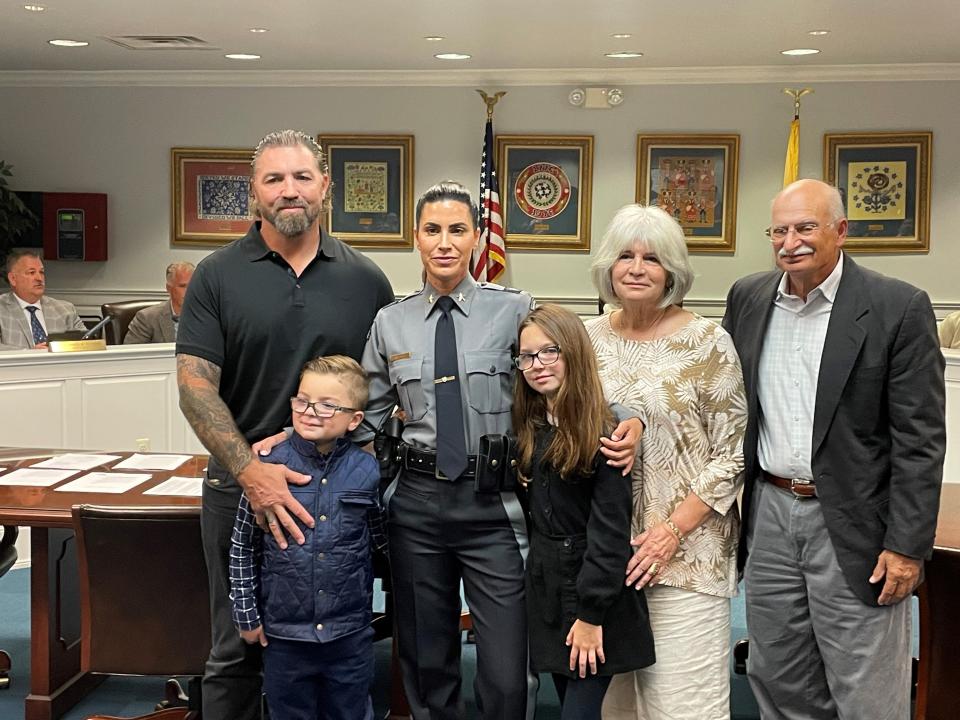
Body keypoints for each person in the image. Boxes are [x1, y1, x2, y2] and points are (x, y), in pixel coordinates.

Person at [357, 181, 642, 719]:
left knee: (509, 668)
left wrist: (629, 419)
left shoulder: (512, 311)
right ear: (415, 238)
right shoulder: (389, 322)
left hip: (495, 504)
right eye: (433, 230)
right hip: (416, 507)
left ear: (476, 237)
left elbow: (570, 374)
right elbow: (363, 416)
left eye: (458, 230)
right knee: (424, 657)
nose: (444, 242)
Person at [176, 129, 393, 720]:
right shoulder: (216, 275)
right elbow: (195, 388)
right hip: (238, 489)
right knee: (236, 646)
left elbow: (378, 392)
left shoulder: (366, 280)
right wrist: (253, 472)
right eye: (274, 179)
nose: (289, 190)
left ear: (325, 186)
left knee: (343, 638)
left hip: (339, 491)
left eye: (301, 177)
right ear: (254, 192)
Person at [722, 178, 945, 719]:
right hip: (770, 515)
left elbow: (920, 440)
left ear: (840, 231)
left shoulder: (897, 307)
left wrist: (908, 546)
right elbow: (723, 404)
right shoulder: (748, 298)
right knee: (777, 674)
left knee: (865, 682)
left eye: (805, 227)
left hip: (854, 523)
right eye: (779, 229)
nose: (789, 241)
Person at [584, 204, 747, 720]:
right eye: (625, 256)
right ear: (608, 267)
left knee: (682, 706)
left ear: (672, 271)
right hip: (606, 555)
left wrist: (670, 532)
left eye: (652, 258)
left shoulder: (707, 342)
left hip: (685, 556)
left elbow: (733, 454)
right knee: (617, 707)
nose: (637, 268)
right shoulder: (587, 339)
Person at [514, 304, 655, 720]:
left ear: (574, 351)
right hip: (548, 589)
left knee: (579, 711)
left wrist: (591, 616)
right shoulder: (532, 426)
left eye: (549, 352)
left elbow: (610, 534)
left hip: (594, 592)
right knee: (568, 704)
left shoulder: (605, 432)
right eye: (526, 356)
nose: (537, 365)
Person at [230, 355, 386, 720]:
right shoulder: (264, 468)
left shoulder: (368, 470)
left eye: (328, 405)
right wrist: (246, 614)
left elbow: (381, 541)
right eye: (302, 400)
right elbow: (242, 546)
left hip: (349, 634)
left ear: (355, 420)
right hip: (285, 635)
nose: (310, 411)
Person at [0, 249, 86, 350]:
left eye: (41, 272)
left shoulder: (65, 309)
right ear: (13, 279)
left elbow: (86, 342)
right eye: (31, 272)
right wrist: (30, 353)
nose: (39, 278)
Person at [124, 261, 195, 343]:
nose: (189, 291)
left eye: (192, 285)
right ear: (169, 288)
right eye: (183, 286)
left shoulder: (207, 314)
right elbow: (132, 352)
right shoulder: (147, 318)